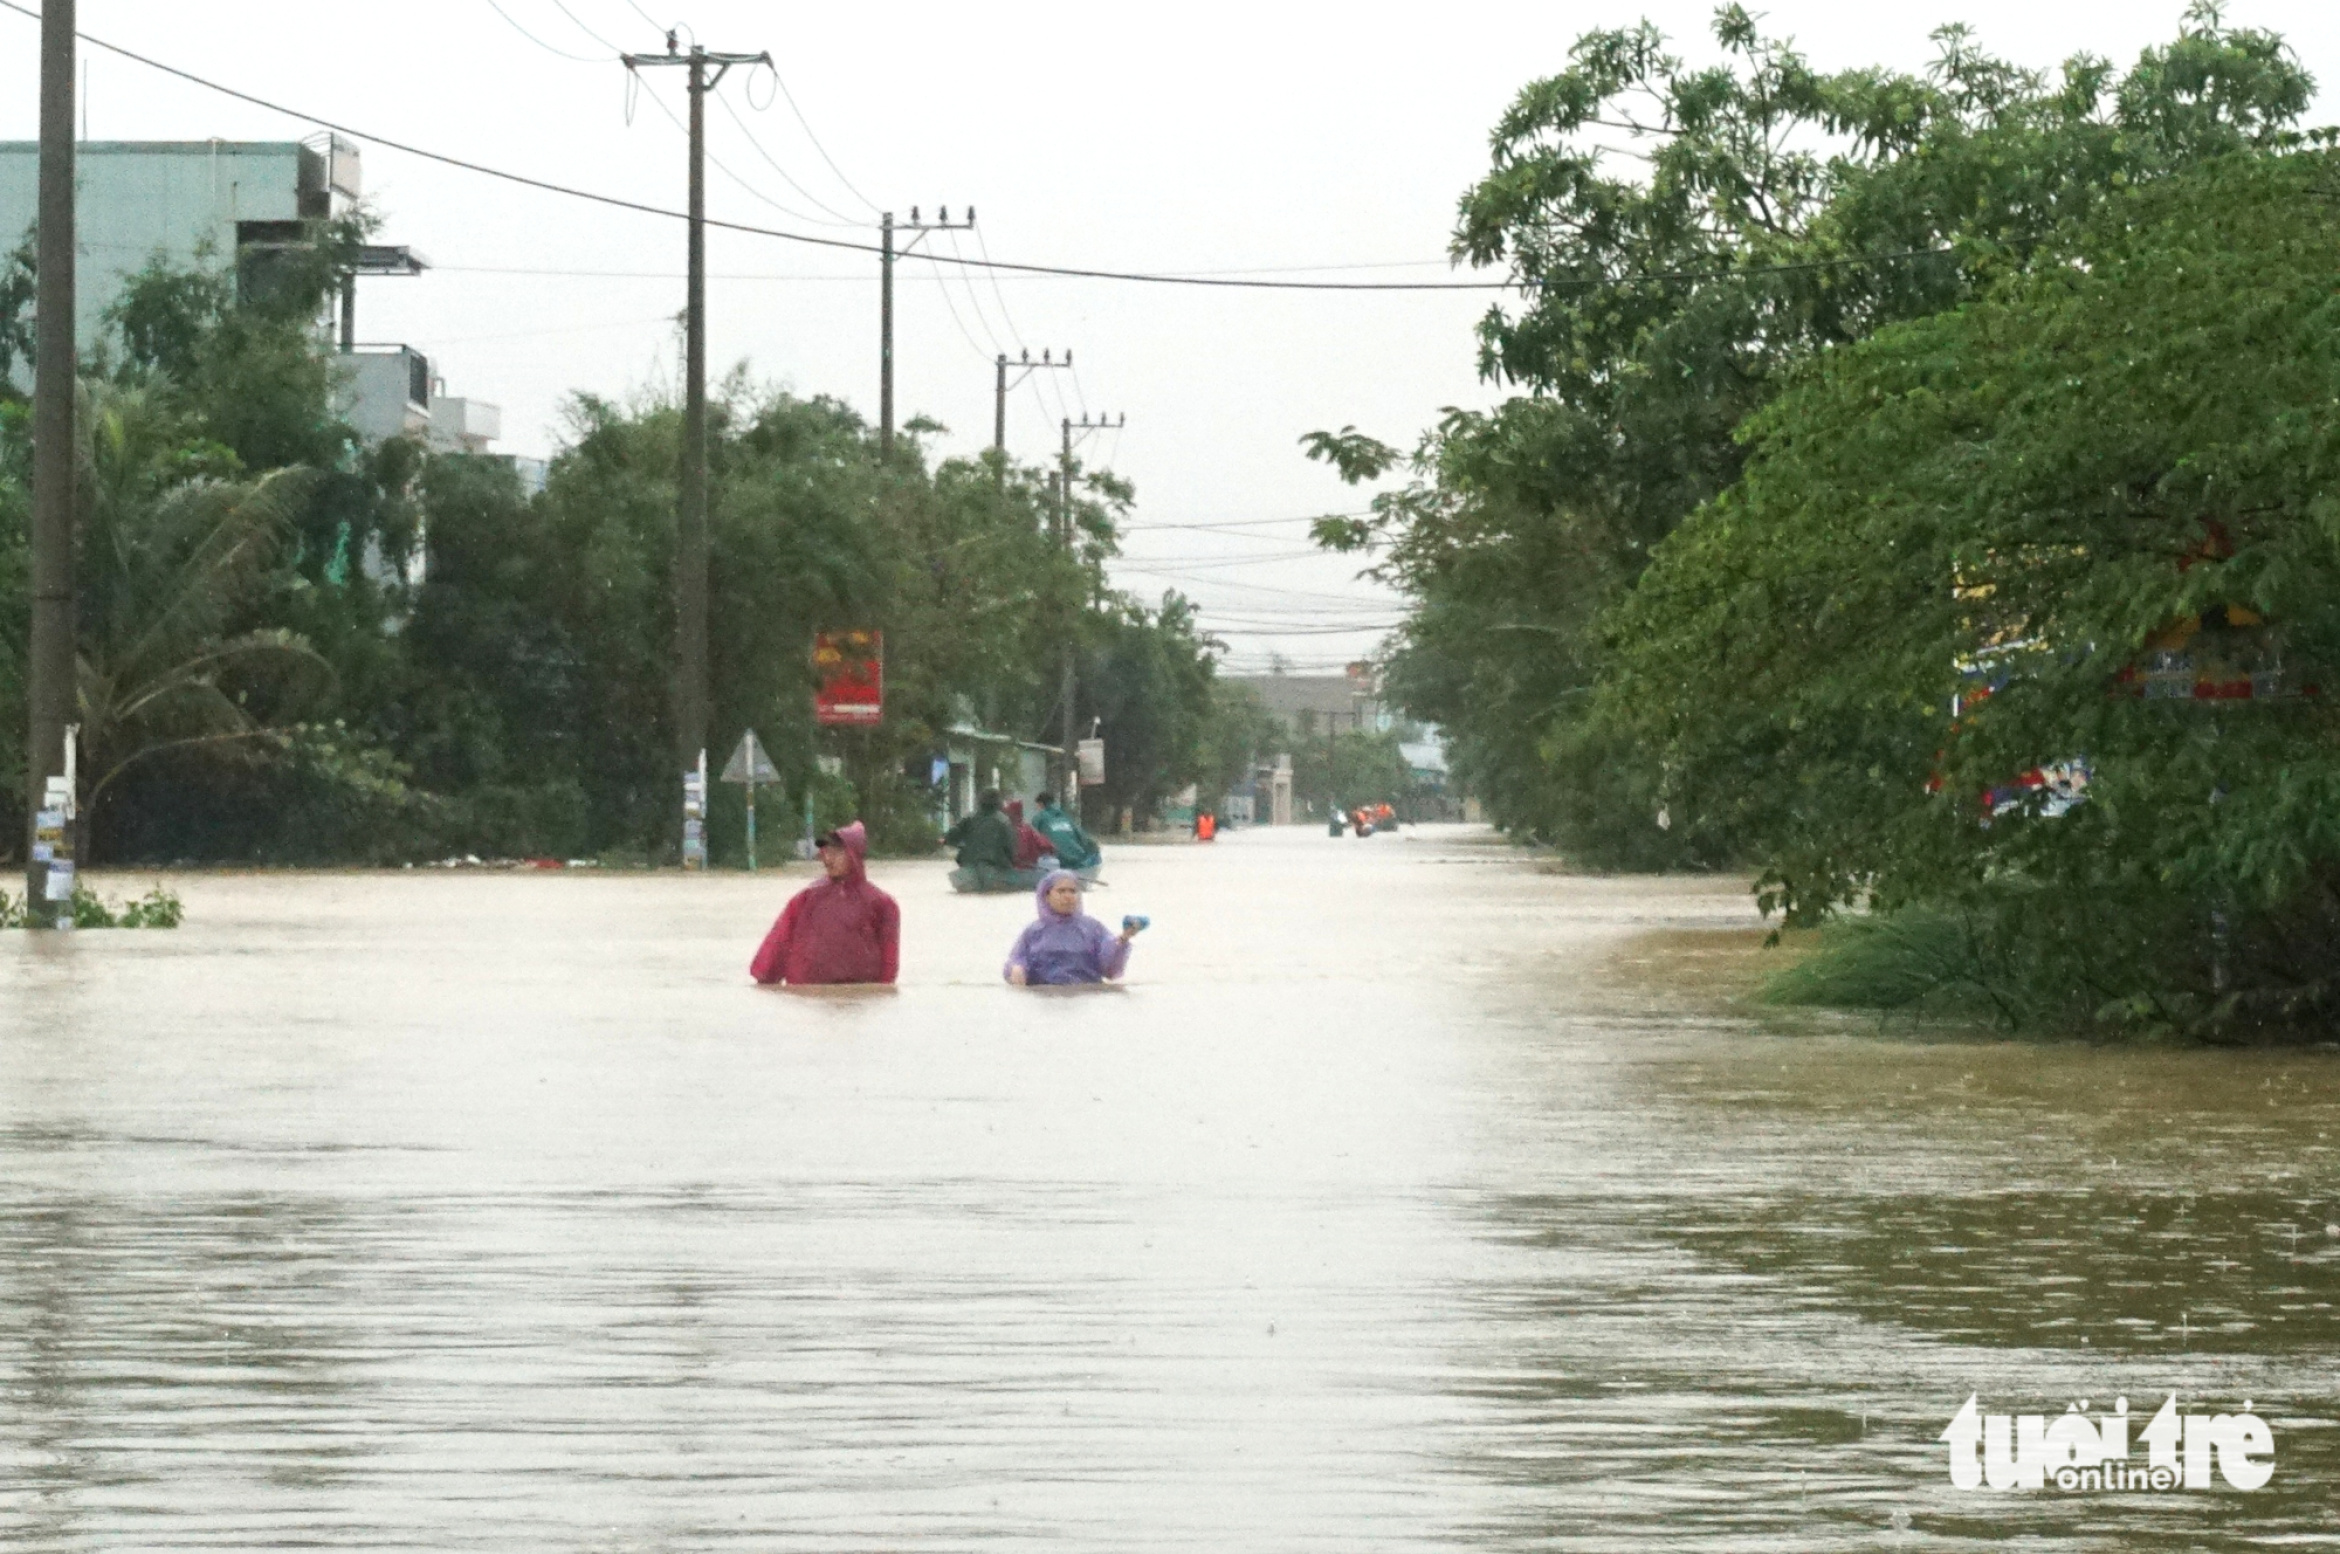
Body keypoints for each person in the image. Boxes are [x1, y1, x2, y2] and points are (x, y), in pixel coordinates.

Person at [749, 821, 899, 985]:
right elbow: (777, 945)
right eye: (826, 852)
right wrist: (764, 981)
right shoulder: (805, 899)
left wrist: (881, 993)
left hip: (860, 995)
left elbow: (889, 969)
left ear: (854, 855)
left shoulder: (883, 905)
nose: (828, 859)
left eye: (837, 852)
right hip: (806, 996)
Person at [1003, 869, 1138, 986]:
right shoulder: (1033, 931)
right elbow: (1015, 960)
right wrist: (1016, 969)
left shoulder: (1092, 928)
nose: (1068, 896)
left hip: (1086, 993)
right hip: (1046, 995)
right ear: (1046, 896)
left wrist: (1123, 938)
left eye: (1073, 891)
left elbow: (1110, 969)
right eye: (1061, 891)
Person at [943, 789, 1019, 890]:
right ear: (998, 803)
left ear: (979, 802)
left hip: (970, 866)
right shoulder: (1004, 821)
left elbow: (951, 836)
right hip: (997, 868)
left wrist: (946, 841)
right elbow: (1011, 848)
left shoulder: (969, 818)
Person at [1028, 791, 1101, 872]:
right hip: (1080, 859)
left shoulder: (1038, 818)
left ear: (1040, 804)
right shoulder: (1064, 816)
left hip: (1059, 861)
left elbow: (1033, 838)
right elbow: (1083, 837)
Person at [1005, 799, 1051, 870]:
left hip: (1015, 869)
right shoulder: (1028, 828)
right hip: (1030, 868)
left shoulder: (1007, 829)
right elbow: (1046, 845)